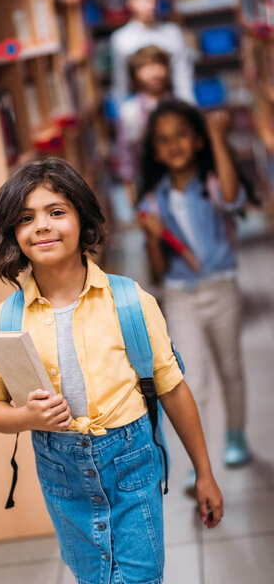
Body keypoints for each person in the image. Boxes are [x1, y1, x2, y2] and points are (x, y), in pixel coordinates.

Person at [0, 157, 223, 584]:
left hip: (131, 466)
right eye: (26, 218)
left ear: (82, 218)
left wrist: (204, 473)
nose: (42, 226)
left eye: (57, 212)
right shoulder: (6, 320)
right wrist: (26, 418)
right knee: (93, 578)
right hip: (62, 475)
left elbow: (174, 391)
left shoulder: (129, 302)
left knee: (140, 578)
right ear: (13, 234)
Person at [137, 99, 253, 493]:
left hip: (222, 287)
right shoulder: (153, 200)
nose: (173, 145)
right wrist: (153, 239)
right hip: (180, 295)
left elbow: (235, 198)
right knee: (187, 380)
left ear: (198, 141)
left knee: (230, 367)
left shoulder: (213, 183)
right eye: (163, 140)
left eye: (182, 134)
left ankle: (236, 434)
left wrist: (219, 138)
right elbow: (157, 269)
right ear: (154, 151)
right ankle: (196, 460)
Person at [110, 0, 194, 108]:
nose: (150, 4)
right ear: (130, 3)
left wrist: (187, 109)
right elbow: (120, 83)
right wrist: (123, 115)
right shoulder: (121, 39)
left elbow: (183, 77)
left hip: (170, 104)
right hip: (138, 108)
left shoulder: (172, 33)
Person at [116, 45, 172, 205]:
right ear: (135, 76)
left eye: (158, 65)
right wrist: (131, 191)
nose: (154, 72)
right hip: (148, 183)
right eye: (146, 67)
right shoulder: (129, 111)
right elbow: (125, 154)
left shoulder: (180, 105)